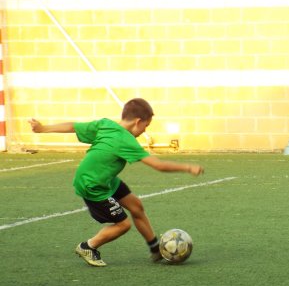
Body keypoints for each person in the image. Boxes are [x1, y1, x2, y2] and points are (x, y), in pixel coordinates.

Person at [29, 98, 204, 267]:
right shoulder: (126, 140)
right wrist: (187, 167)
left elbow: (73, 126)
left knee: (136, 206)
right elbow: (158, 165)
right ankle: (88, 246)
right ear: (137, 122)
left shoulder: (106, 125)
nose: (144, 131)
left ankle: (155, 248)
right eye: (146, 126)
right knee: (123, 224)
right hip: (92, 185)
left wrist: (42, 128)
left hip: (106, 179)